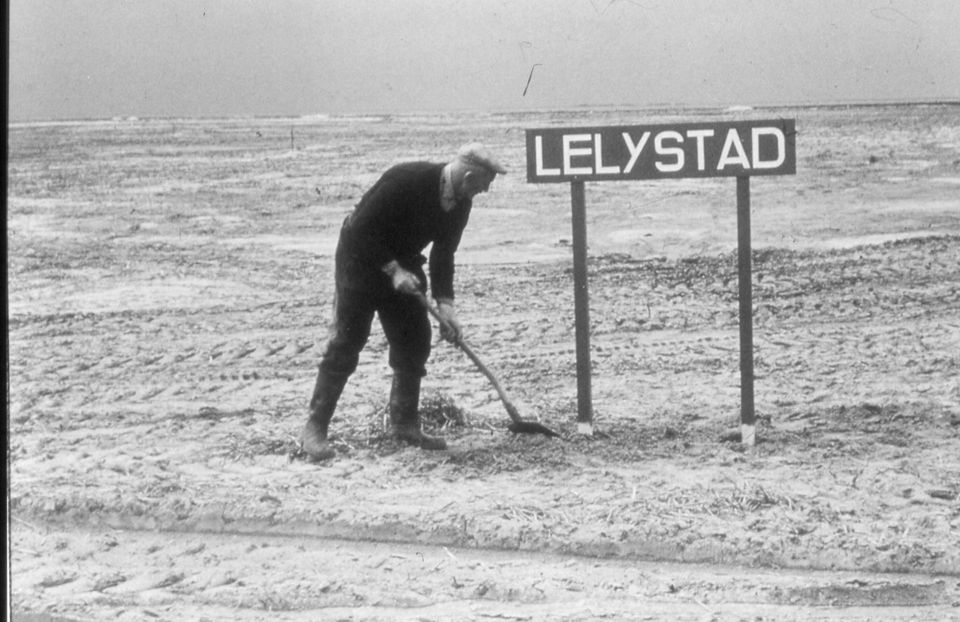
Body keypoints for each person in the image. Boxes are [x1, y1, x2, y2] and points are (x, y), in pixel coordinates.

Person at [301, 143, 507, 461]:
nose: (485, 191)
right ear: (468, 177)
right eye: (484, 184)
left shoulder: (461, 203)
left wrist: (446, 306)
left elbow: (443, 255)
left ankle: (404, 424)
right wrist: (393, 270)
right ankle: (314, 429)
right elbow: (359, 229)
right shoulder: (406, 180)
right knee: (347, 341)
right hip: (360, 260)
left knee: (414, 339)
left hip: (406, 264)